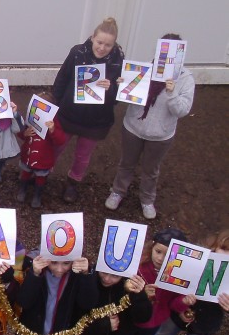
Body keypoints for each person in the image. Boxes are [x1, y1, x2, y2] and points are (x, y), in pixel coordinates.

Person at [105, 33, 195, 220]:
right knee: (126, 164)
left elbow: (183, 110)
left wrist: (171, 94)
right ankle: (118, 192)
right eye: (164, 52)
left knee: (151, 170)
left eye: (173, 55)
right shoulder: (142, 71)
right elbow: (126, 97)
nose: (167, 59)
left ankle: (147, 199)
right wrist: (123, 85)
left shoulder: (186, 79)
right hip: (133, 127)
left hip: (161, 135)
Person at [140, 230, 229, 335]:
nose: (223, 259)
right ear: (214, 248)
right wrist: (181, 306)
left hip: (206, 321)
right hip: (179, 308)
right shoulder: (197, 261)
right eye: (221, 252)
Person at [52, 17, 125, 202]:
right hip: (69, 113)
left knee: (83, 156)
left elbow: (119, 97)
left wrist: (112, 89)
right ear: (93, 37)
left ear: (114, 44)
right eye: (100, 42)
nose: (102, 48)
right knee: (56, 147)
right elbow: (62, 78)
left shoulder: (118, 61)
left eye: (108, 45)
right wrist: (55, 103)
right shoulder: (77, 52)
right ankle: (43, 174)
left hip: (96, 120)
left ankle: (72, 184)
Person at [109, 227, 186, 335]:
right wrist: (139, 294)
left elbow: (175, 306)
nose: (160, 258)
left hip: (154, 321)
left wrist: (185, 301)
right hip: (130, 317)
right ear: (152, 247)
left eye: (167, 255)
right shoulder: (139, 267)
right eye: (158, 251)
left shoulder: (178, 277)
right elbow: (121, 290)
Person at [15, 115, 67, 208]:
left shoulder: (53, 121)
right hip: (28, 156)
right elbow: (20, 131)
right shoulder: (31, 117)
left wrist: (52, 129)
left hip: (43, 159)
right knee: (25, 173)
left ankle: (37, 195)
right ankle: (22, 189)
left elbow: (61, 140)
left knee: (41, 177)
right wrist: (24, 133)